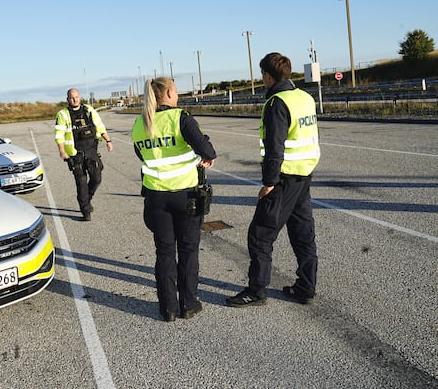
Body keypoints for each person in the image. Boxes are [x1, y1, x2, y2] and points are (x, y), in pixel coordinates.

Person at [226, 52, 320, 308]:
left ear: (267, 75)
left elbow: (274, 148)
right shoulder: (305, 97)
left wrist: (268, 183)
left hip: (284, 178)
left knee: (260, 235)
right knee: (303, 235)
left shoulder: (276, 102)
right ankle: (306, 287)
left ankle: (256, 290)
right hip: (304, 175)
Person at [131, 77, 216, 322]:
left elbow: (142, 155)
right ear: (168, 93)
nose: (177, 95)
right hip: (185, 196)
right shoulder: (181, 117)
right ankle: (188, 304)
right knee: (188, 250)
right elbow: (208, 151)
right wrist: (205, 154)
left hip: (156, 198)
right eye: (176, 91)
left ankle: (167, 308)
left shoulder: (139, 123)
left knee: (165, 253)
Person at [55, 88, 113, 221]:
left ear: (80, 97)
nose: (74, 99)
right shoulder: (63, 115)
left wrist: (108, 140)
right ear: (67, 99)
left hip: (91, 152)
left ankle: (87, 198)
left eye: (76, 97)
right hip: (76, 155)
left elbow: (100, 126)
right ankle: (85, 209)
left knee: (97, 178)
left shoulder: (89, 110)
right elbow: (59, 135)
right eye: (71, 97)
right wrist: (62, 151)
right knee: (81, 183)